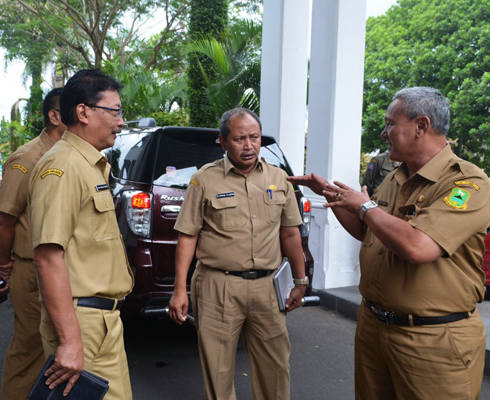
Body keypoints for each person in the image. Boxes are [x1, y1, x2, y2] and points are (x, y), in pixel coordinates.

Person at [289, 87, 490, 400]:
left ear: (421, 126)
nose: (383, 133)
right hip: (374, 327)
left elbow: (419, 247)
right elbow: (371, 232)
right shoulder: (396, 177)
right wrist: (337, 199)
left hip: (432, 338)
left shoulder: (467, 183)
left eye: (390, 124)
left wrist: (365, 206)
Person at [169, 108, 308, 400]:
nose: (248, 145)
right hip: (218, 285)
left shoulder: (278, 178)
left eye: (254, 137)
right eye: (239, 138)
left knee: (275, 367)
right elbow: (187, 236)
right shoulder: (203, 180)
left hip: (268, 288)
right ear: (223, 142)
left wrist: (300, 280)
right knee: (218, 370)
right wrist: (179, 289)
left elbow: (290, 233)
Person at [29, 69, 134, 399]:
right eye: (114, 111)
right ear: (83, 112)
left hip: (97, 321)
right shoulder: (62, 167)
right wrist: (71, 341)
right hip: (83, 323)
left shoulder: (87, 165)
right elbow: (47, 257)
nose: (120, 122)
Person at [0, 88, 66, 399]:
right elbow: (1, 221)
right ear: (55, 116)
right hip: (31, 270)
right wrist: (6, 265)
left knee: (55, 353)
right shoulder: (28, 157)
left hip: (57, 271)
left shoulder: (64, 156)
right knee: (29, 352)